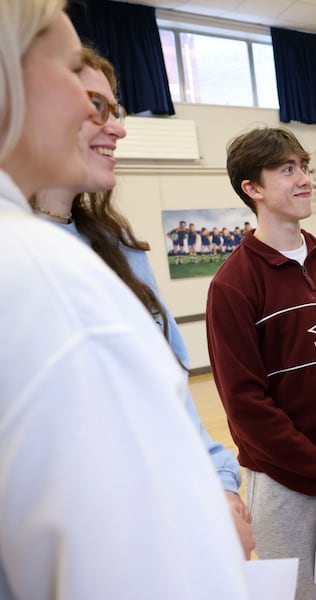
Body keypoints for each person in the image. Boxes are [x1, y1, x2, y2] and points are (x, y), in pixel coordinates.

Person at [0, 2, 249, 598]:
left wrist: (219, 481)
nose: (115, 124)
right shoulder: (43, 270)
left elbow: (173, 399)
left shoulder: (116, 251)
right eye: (94, 104)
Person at [206, 126, 316, 599]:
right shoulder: (232, 286)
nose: (304, 178)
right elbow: (246, 406)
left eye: (303, 166)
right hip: (285, 483)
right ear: (253, 188)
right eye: (287, 169)